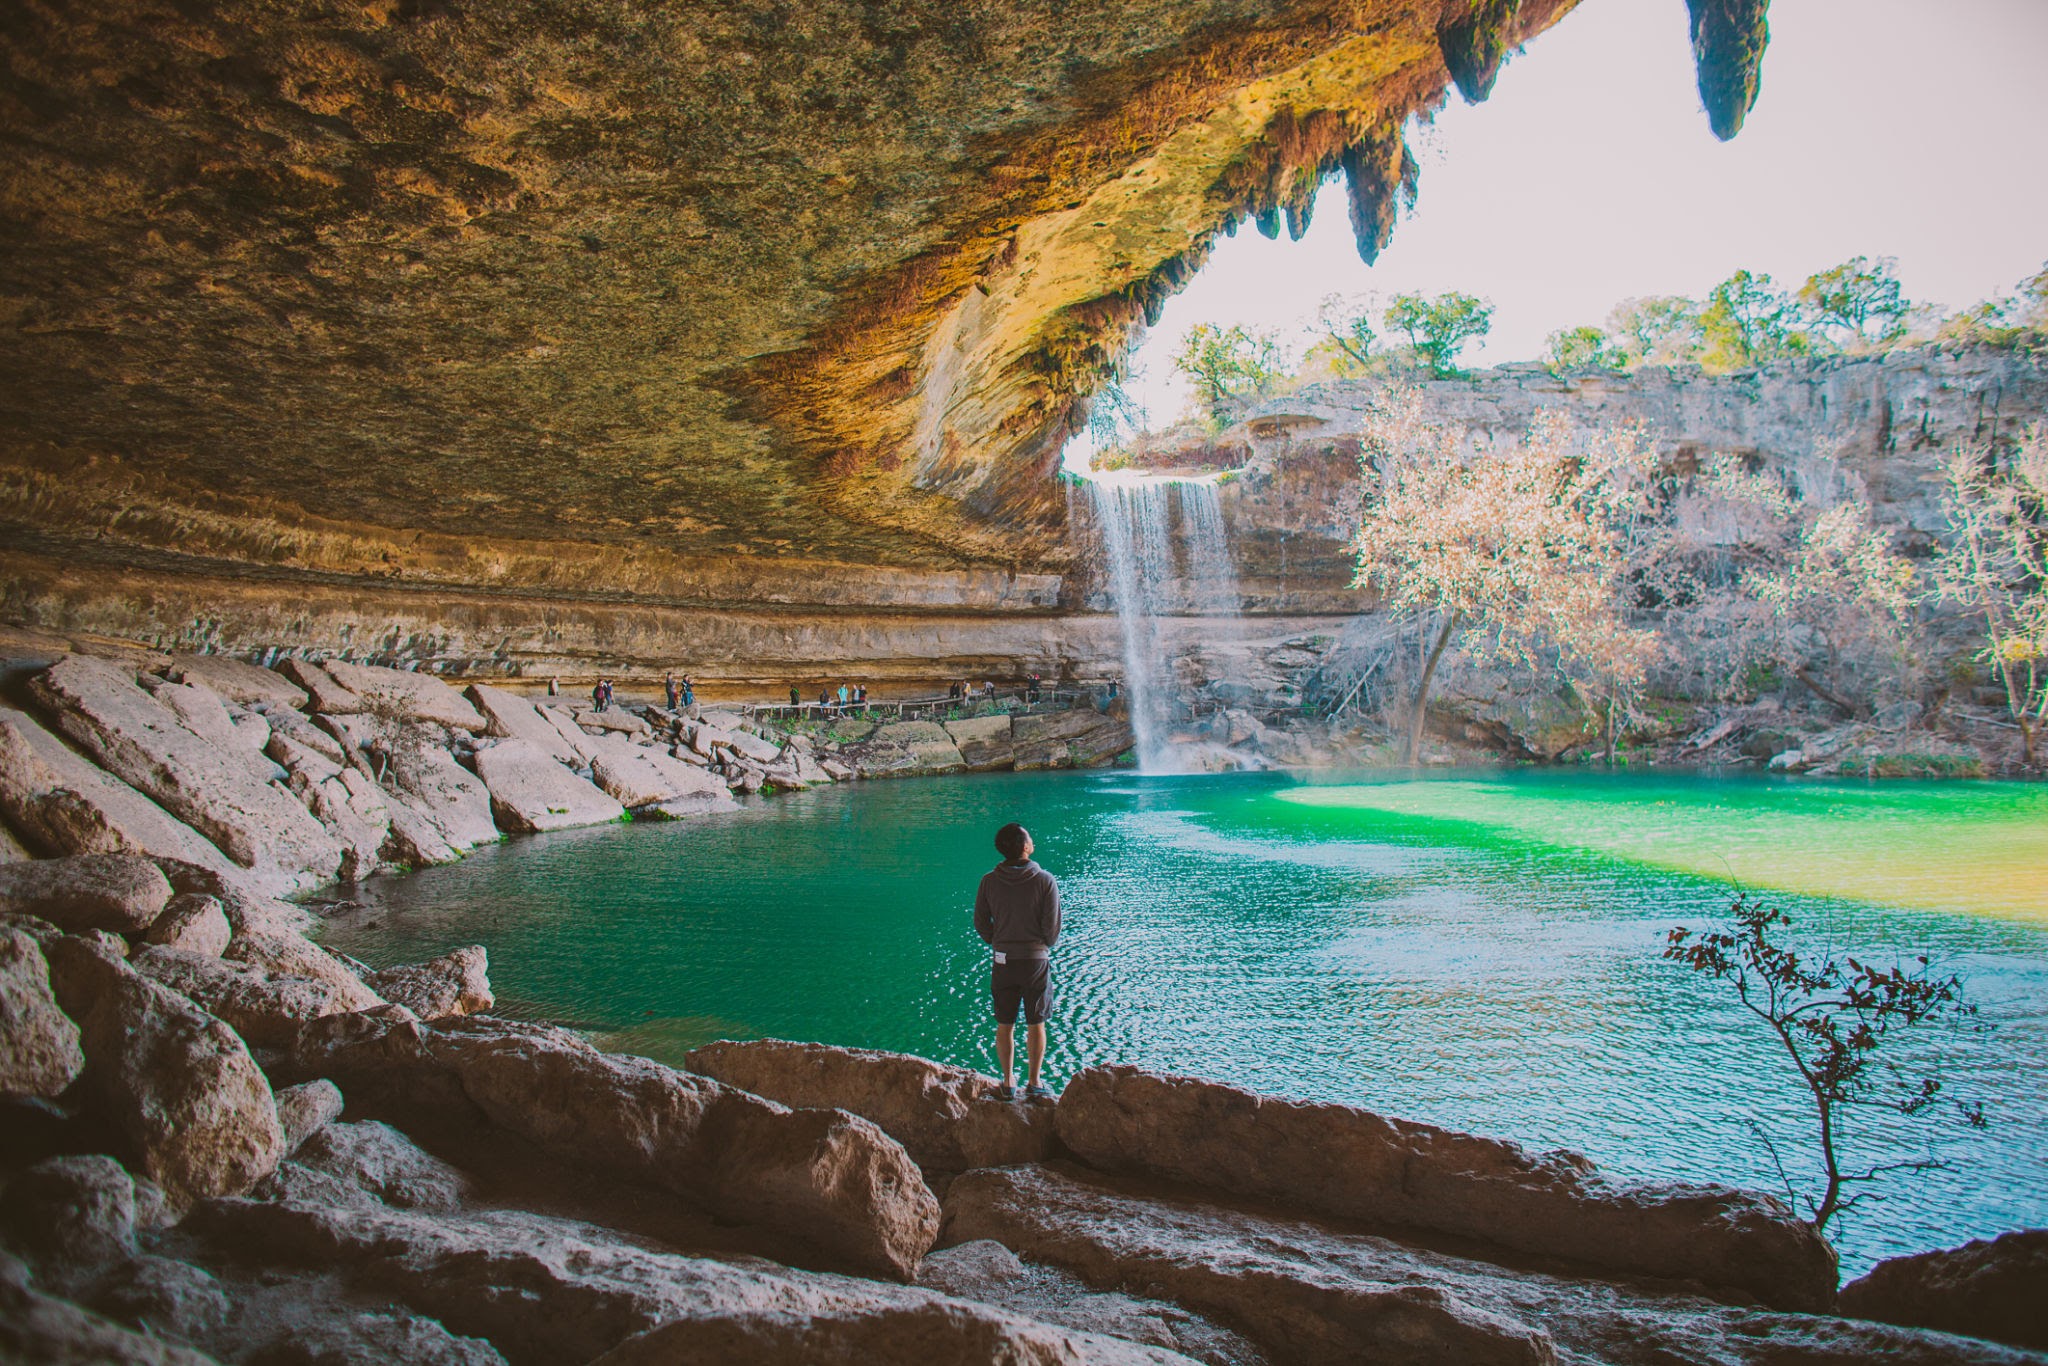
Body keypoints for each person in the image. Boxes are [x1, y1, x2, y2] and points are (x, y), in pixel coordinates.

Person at [973, 822, 1061, 1102]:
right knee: (1037, 1023)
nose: (1033, 841)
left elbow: (980, 922)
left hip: (1003, 961)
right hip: (1035, 961)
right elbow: (1052, 929)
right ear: (1025, 847)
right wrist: (1041, 944)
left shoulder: (988, 880)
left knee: (1005, 1023)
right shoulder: (1045, 880)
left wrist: (997, 941)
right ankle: (1034, 1082)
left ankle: (1008, 1081)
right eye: (1030, 838)